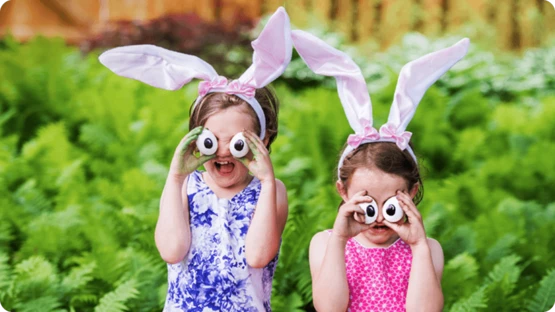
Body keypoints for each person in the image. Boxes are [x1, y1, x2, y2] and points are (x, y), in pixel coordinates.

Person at [98, 7, 292, 311]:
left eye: (239, 142)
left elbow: (257, 256)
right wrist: (175, 178)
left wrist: (266, 181)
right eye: (211, 140)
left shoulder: (271, 191)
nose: (224, 151)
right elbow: (172, 250)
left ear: (263, 141)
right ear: (196, 141)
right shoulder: (184, 186)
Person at [291, 30, 469, 311]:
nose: (378, 216)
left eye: (392, 205)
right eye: (366, 203)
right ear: (343, 191)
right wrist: (339, 238)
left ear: (412, 192)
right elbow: (329, 308)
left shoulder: (426, 249)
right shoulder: (326, 244)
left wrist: (420, 246)